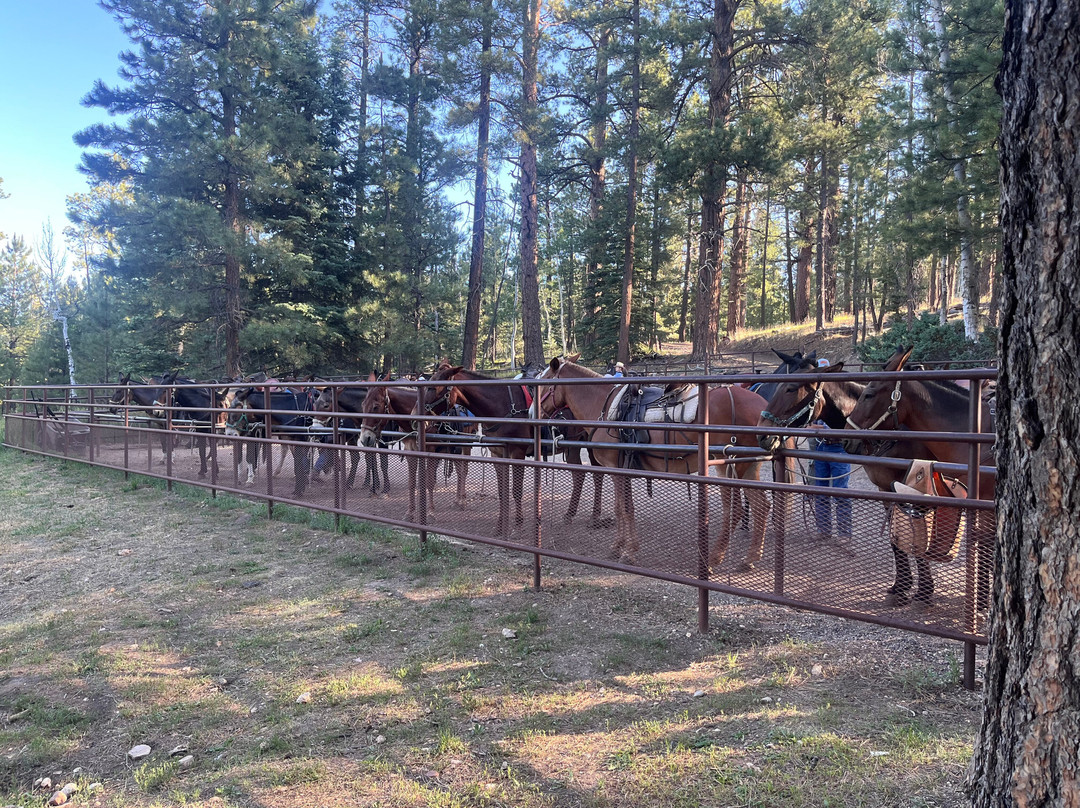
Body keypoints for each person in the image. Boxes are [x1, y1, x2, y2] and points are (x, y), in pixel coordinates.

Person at [810, 358, 854, 554]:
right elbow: (812, 425)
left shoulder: (841, 400)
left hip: (837, 448)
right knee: (821, 490)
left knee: (840, 492)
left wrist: (822, 430)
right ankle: (824, 530)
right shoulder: (821, 400)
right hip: (823, 447)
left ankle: (844, 534)